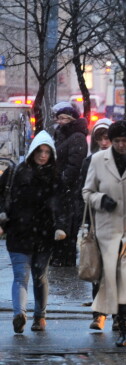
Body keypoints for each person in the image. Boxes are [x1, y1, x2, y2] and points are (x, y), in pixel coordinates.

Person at [82, 120, 126, 347]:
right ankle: (123, 329)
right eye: (117, 141)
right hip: (108, 230)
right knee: (115, 280)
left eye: (125, 140)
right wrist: (101, 199)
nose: (121, 145)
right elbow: (87, 192)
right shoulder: (97, 160)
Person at [0, 131, 66, 334]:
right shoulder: (15, 172)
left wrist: (60, 227)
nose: (43, 155)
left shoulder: (55, 177)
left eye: (47, 151)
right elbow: (1, 197)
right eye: (40, 150)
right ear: (32, 151)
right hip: (19, 232)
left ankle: (40, 316)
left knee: (39, 276)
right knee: (21, 276)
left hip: (44, 235)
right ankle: (19, 315)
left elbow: (62, 205)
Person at [79, 118, 113, 331]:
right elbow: (82, 193)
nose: (103, 142)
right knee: (97, 270)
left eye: (107, 137)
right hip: (96, 222)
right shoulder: (89, 162)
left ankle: (119, 316)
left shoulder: (122, 161)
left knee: (118, 271)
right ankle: (98, 313)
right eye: (100, 137)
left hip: (119, 222)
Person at [51, 102, 89, 267]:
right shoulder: (62, 135)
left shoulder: (77, 137)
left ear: (72, 119)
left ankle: (66, 261)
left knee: (68, 224)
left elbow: (75, 163)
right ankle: (60, 258)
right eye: (59, 118)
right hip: (61, 187)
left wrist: (64, 181)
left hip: (69, 189)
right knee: (60, 222)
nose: (60, 121)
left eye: (64, 118)